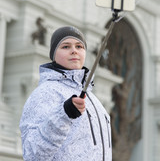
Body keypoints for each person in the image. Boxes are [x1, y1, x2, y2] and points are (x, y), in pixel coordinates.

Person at [19, 26, 112, 161]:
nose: (74, 51)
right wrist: (64, 114)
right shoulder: (44, 93)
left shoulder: (94, 100)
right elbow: (33, 154)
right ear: (53, 55)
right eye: (66, 46)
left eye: (79, 46)